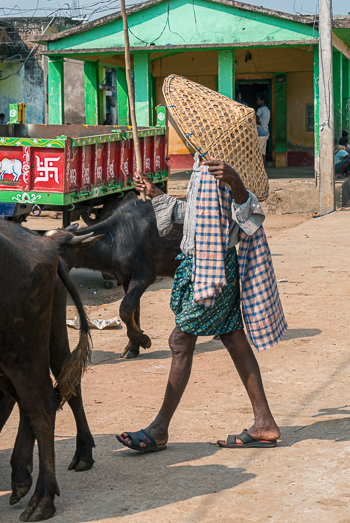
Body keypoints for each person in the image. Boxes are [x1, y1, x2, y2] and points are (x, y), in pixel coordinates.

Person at [117, 156, 283, 452]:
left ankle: (158, 430)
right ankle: (264, 423)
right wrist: (157, 194)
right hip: (198, 264)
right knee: (233, 337)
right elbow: (195, 216)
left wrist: (236, 182)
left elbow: (249, 218)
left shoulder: (230, 160)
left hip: (215, 267)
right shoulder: (200, 164)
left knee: (180, 340)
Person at [255, 92, 270, 159]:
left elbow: (256, 118)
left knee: (258, 152)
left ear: (262, 101)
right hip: (266, 132)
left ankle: (258, 168)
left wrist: (256, 122)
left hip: (260, 133)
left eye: (258, 100)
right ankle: (263, 168)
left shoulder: (260, 109)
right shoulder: (267, 110)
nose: (257, 101)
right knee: (263, 153)